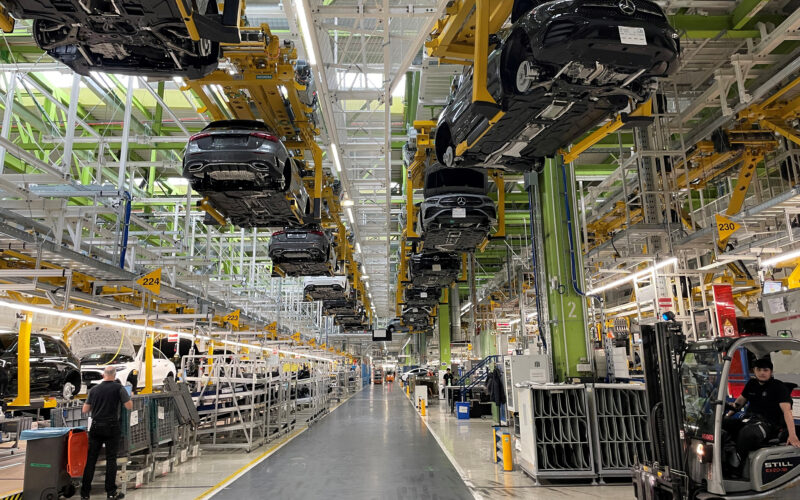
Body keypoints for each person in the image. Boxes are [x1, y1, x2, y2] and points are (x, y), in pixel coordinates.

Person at [723, 357, 800, 475]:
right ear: (754, 370)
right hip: (749, 419)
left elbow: (787, 411)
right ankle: (727, 456)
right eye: (759, 370)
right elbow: (738, 403)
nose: (762, 373)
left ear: (771, 372)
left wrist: (792, 435)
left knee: (746, 433)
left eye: (765, 370)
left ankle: (736, 466)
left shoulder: (778, 387)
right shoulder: (751, 384)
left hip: (767, 424)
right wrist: (726, 417)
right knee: (722, 425)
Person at [81, 366, 132, 500]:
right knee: (111, 459)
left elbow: (85, 409)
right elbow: (129, 406)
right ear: (114, 376)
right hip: (111, 427)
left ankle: (85, 493)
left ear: (103, 375)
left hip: (96, 427)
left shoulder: (94, 390)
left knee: (91, 459)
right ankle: (110, 492)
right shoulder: (119, 388)